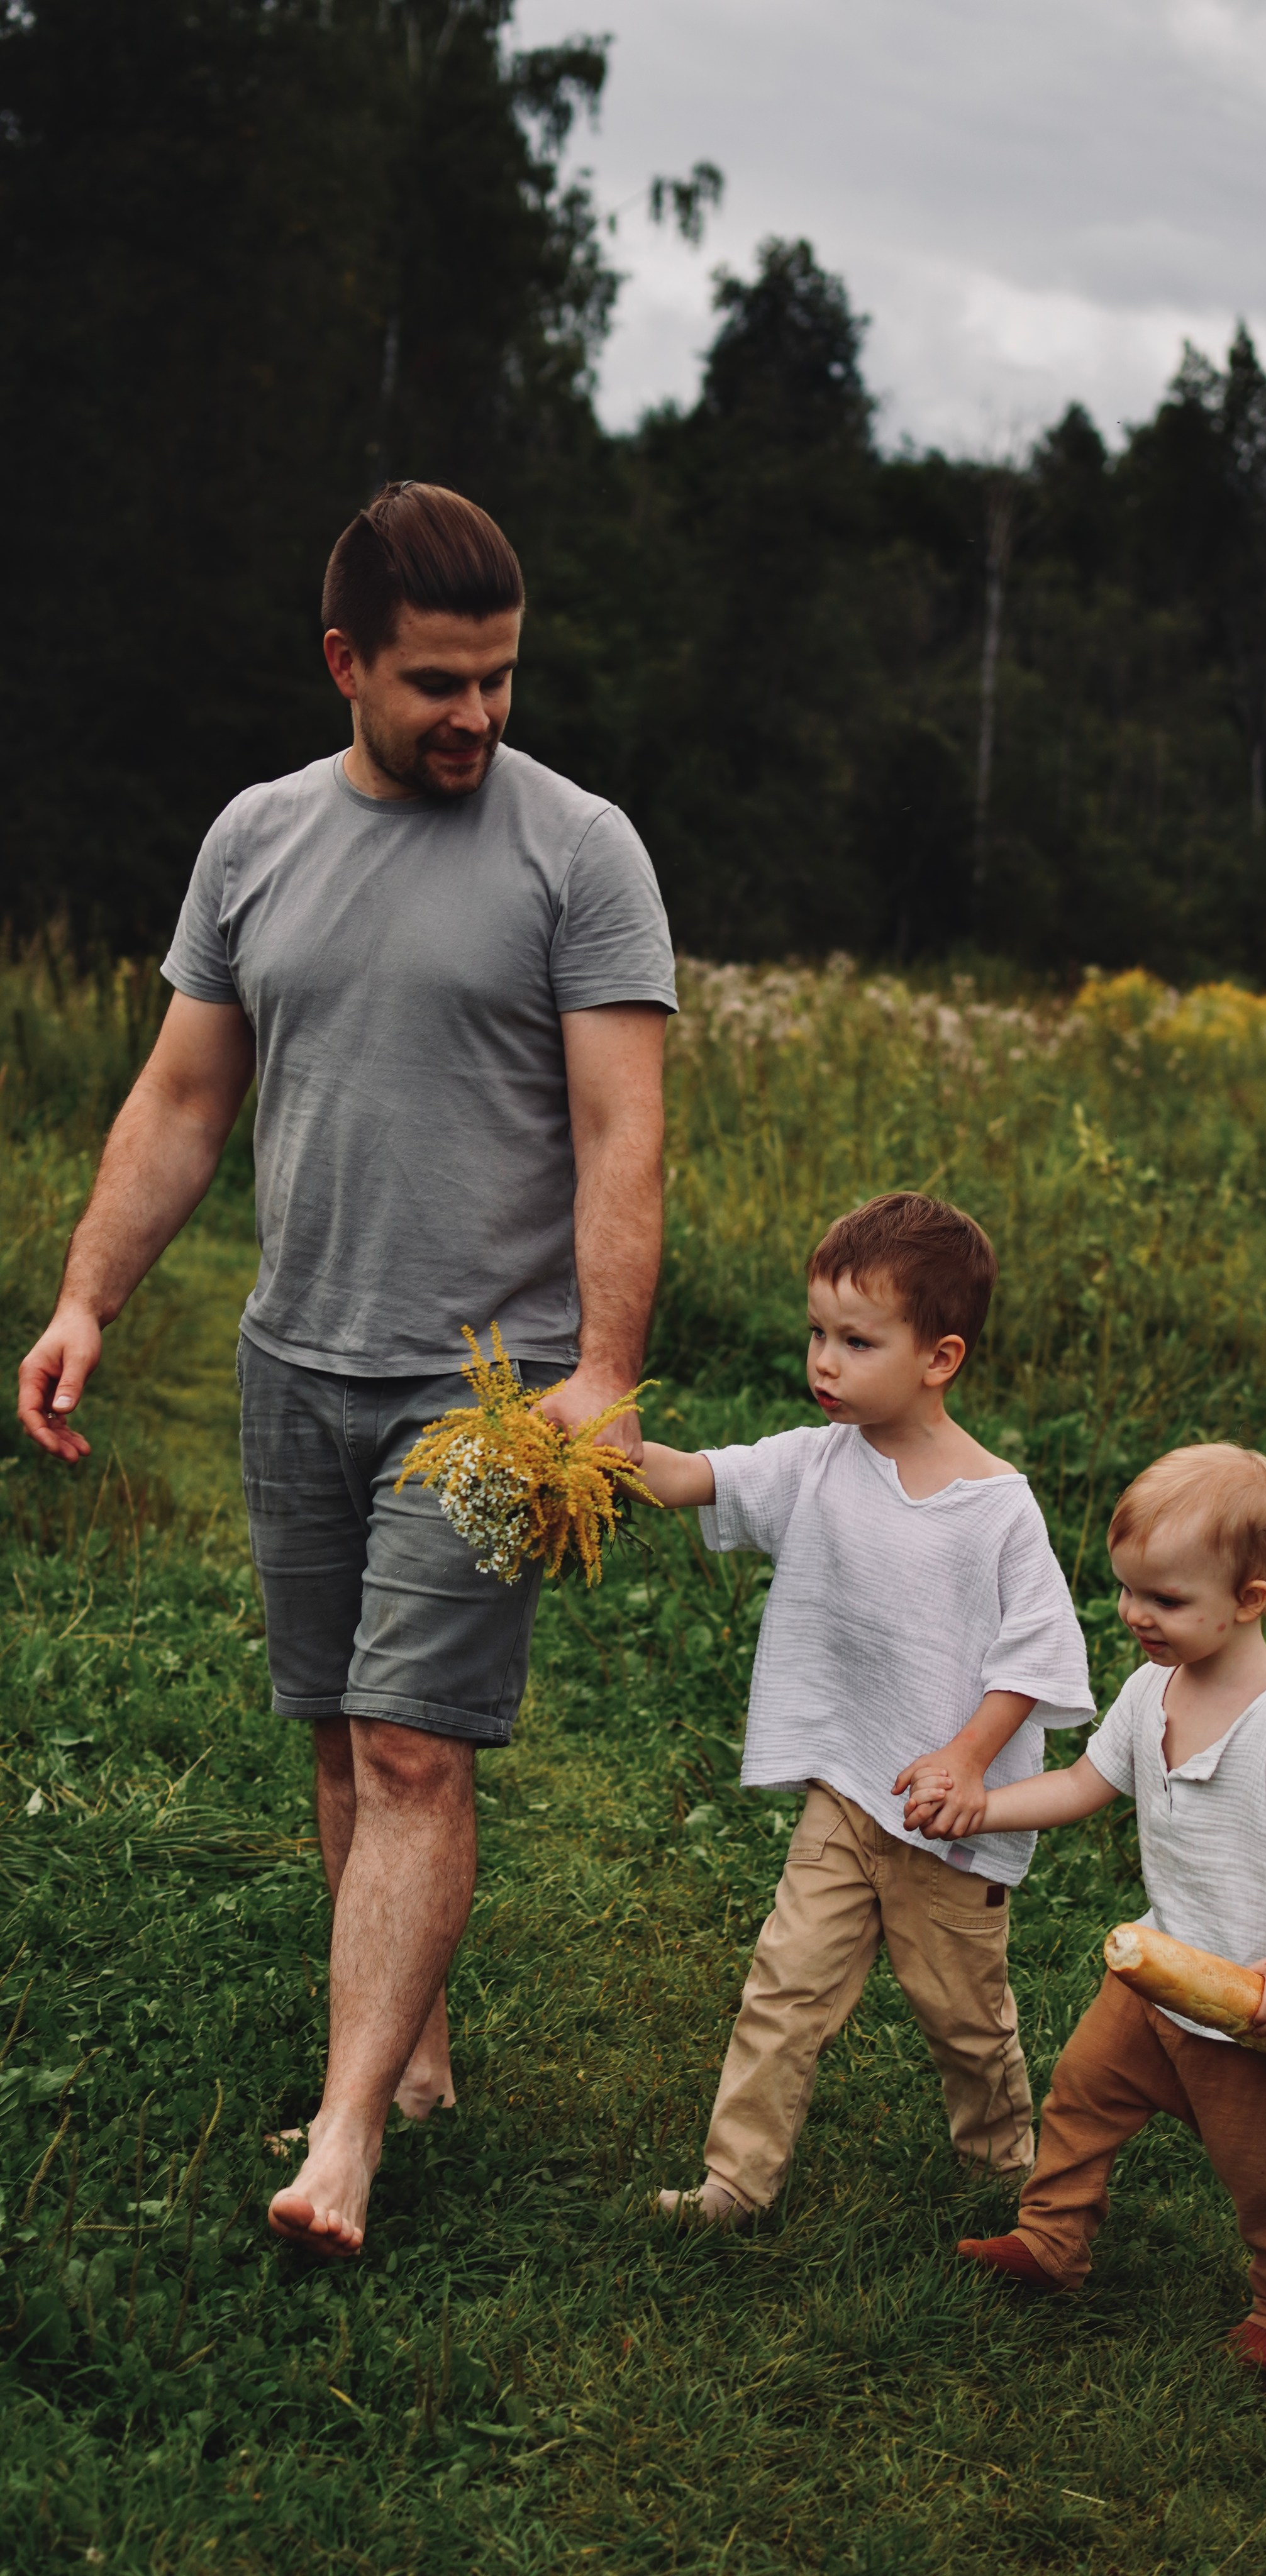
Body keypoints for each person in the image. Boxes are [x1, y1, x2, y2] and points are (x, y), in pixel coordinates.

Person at [16, 480, 677, 2258]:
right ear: (345, 664)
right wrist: (88, 1300)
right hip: (293, 1365)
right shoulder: (252, 843)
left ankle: (343, 2135)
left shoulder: (580, 852)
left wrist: (604, 1369)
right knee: (333, 1729)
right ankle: (414, 2048)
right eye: (437, 683)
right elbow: (180, 1097)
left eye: (502, 680)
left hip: (489, 1396)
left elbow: (624, 1131)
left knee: (407, 1748)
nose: (477, 716)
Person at [638, 1192, 1094, 2226]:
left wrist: (970, 1758)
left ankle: (999, 2163)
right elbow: (689, 1475)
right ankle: (734, 2184)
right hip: (847, 1793)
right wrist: (607, 1455)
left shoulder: (995, 1506)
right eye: (816, 1334)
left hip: (947, 1824)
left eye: (855, 1340)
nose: (823, 1363)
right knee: (783, 1988)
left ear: (939, 1358)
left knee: (964, 2020)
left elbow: (1037, 1655)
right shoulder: (814, 1462)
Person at [933, 1443, 1266, 2369]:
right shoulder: (1149, 1690)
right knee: (1081, 2097)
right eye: (1129, 1592)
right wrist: (981, 1805)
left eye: (1164, 1601)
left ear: (1248, 1600)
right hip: (1161, 1973)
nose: (1134, 1616)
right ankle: (1051, 2241)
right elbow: (1087, 1782)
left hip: (1254, 2008)